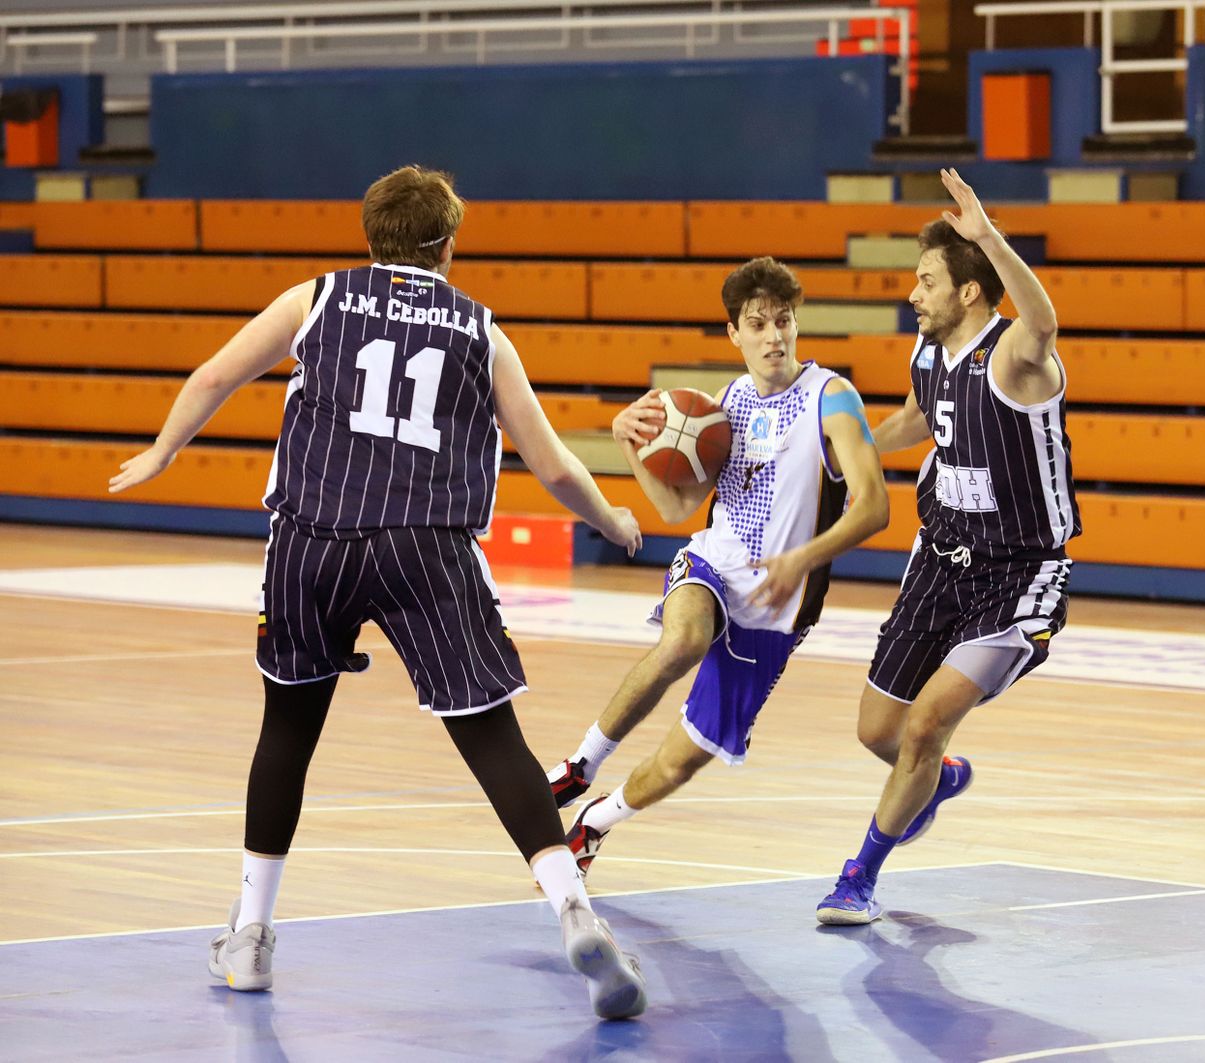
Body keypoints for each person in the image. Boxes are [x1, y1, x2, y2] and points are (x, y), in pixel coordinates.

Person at [108, 165, 650, 1020]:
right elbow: (550, 463)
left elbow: (215, 375)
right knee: (492, 738)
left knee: (286, 730)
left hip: (312, 538)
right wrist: (615, 520)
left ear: (370, 235)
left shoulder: (316, 297)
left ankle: (249, 937)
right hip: (426, 546)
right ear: (448, 243)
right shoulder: (481, 329)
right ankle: (574, 910)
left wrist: (163, 453)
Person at [544, 257, 889, 873]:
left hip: (776, 610)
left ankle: (597, 819)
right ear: (735, 334)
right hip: (713, 563)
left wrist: (802, 559)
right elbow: (677, 509)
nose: (774, 336)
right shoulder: (723, 404)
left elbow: (875, 507)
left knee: (683, 759)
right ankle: (580, 765)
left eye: (783, 321)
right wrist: (630, 445)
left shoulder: (831, 397)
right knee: (683, 639)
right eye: (757, 324)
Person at [814, 169, 1081, 924]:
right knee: (879, 731)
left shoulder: (1016, 357)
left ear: (968, 291)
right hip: (939, 559)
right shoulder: (928, 359)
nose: (912, 294)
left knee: (925, 722)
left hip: (1018, 572)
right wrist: (839, 447)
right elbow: (914, 419)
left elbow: (1045, 320)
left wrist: (988, 237)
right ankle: (941, 776)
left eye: (926, 281)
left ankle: (858, 875)